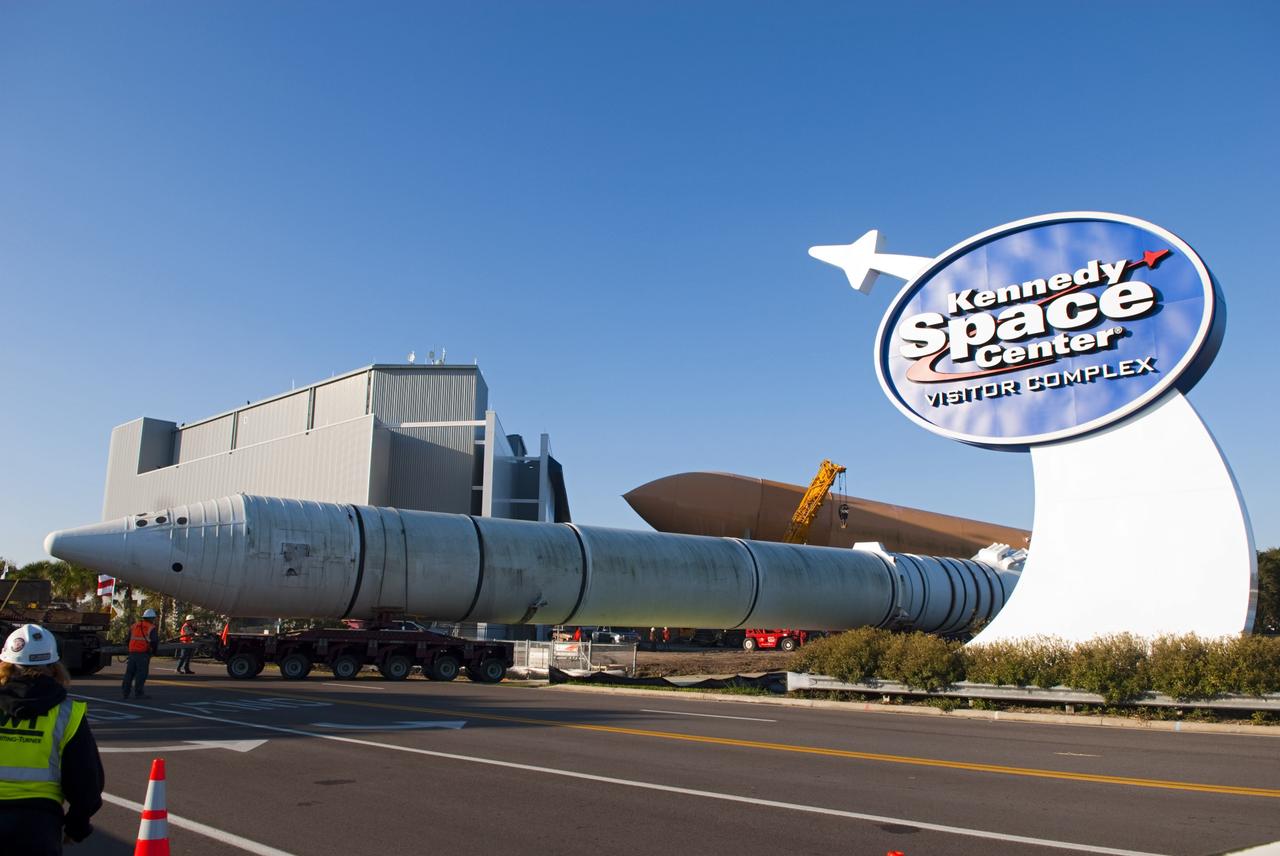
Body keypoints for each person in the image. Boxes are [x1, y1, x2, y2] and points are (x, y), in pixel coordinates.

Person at [0, 623, 104, 854]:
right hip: (38, 825)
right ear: (55, 666)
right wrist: (76, 827)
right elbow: (87, 783)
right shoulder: (67, 714)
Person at [122, 608, 159, 699]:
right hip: (143, 654)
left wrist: (131, 649)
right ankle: (139, 693)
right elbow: (154, 642)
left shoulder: (134, 626)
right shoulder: (151, 627)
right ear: (151, 618)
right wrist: (154, 652)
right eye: (153, 618)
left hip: (132, 653)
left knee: (129, 673)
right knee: (141, 674)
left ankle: (125, 692)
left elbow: (127, 640)